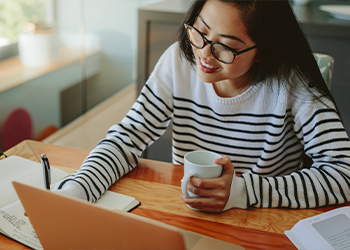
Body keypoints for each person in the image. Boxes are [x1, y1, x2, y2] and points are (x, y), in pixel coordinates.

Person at [54, 0, 350, 213]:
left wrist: (242, 192)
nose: (204, 55)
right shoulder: (178, 61)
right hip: (187, 215)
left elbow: (344, 173)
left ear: (262, 52)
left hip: (261, 222)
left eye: (226, 46)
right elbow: (128, 137)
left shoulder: (292, 83)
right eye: (200, 32)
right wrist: (78, 190)